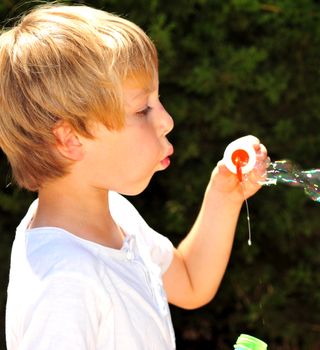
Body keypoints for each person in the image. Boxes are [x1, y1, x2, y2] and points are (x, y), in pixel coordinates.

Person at [0, 4, 267, 349]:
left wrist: (225, 195)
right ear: (70, 139)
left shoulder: (115, 214)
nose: (167, 120)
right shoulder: (63, 280)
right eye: (143, 109)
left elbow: (190, 282)